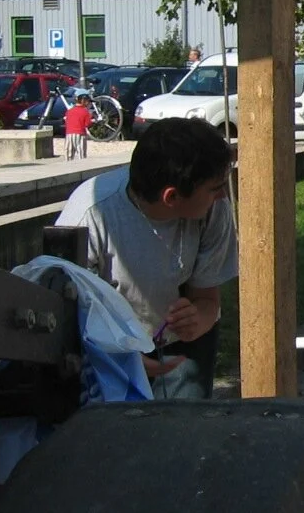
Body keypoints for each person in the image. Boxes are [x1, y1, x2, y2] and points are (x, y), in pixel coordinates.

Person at [55, 117, 238, 400]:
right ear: (172, 196)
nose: (223, 194)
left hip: (180, 347)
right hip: (102, 350)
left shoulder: (214, 210)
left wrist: (197, 320)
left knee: (181, 434)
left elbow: (207, 299)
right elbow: (64, 316)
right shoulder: (90, 215)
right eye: (215, 188)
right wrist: (122, 358)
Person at [64, 88, 93, 161]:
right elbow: (87, 124)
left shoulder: (69, 111)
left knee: (69, 153)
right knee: (81, 153)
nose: (89, 103)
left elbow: (67, 122)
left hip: (69, 134)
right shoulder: (85, 112)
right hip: (80, 134)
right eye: (88, 101)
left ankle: (68, 167)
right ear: (83, 100)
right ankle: (82, 168)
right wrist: (93, 120)